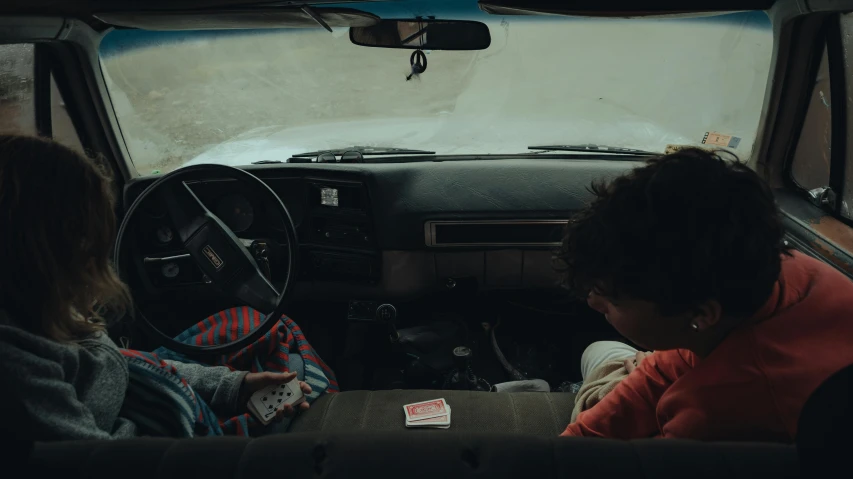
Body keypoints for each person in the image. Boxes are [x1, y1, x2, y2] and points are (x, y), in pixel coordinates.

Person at [0, 135, 316, 441]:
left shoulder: (40, 310)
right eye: (90, 237)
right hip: (167, 443)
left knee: (268, 337)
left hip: (154, 406)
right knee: (296, 368)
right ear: (48, 248)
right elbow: (99, 463)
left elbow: (121, 364)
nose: (99, 253)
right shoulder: (19, 375)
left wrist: (235, 387)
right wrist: (232, 430)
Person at [554, 147, 853, 441]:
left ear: (701, 315)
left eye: (612, 302)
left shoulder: (716, 415)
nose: (593, 302)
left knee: (602, 363)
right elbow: (665, 367)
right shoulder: (780, 269)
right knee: (600, 351)